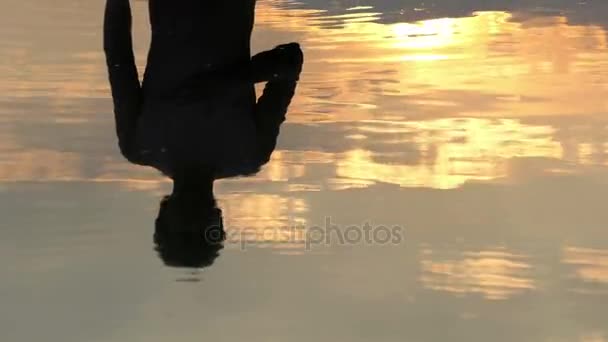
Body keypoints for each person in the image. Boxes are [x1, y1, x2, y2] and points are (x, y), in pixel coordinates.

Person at [103, 0, 303, 259]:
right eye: (198, 232)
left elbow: (117, 51)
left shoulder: (138, 145)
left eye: (183, 232)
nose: (191, 221)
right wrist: (220, 83)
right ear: (216, 220)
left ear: (163, 219)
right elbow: (290, 59)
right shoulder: (251, 152)